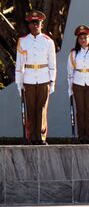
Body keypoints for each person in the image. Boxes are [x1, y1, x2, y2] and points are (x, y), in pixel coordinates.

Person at [15, 10, 56, 145]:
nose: (35, 25)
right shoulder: (23, 41)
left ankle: (41, 137)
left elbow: (52, 63)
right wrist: (19, 83)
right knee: (31, 109)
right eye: (32, 23)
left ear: (41, 24)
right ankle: (31, 137)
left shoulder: (48, 42)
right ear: (29, 25)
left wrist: (52, 81)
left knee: (42, 108)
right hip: (29, 78)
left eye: (37, 23)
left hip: (44, 78)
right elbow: (19, 64)